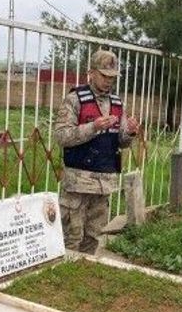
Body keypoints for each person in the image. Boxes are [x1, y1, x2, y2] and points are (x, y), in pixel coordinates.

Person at [53, 49, 140, 254]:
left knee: (93, 238)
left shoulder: (117, 103)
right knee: (70, 238)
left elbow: (120, 142)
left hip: (104, 183)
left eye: (112, 77)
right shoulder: (75, 100)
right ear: (91, 73)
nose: (108, 81)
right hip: (78, 183)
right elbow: (61, 136)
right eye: (104, 75)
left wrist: (130, 133)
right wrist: (93, 127)